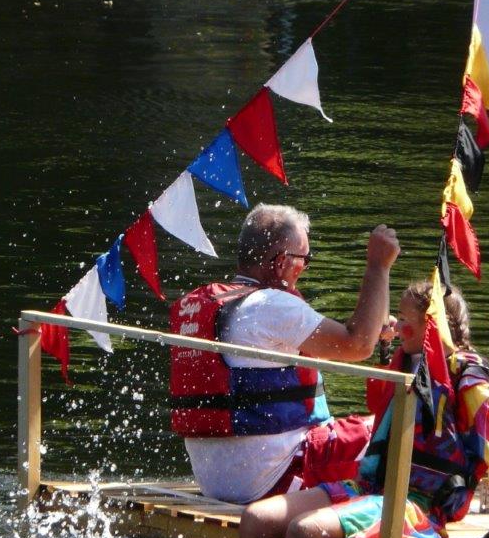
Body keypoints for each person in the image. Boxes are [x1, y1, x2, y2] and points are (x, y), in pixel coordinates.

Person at [238, 281, 489, 538]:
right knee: (256, 520)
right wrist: (387, 346)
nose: (397, 326)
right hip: (370, 487)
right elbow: (381, 409)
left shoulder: (468, 383)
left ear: (431, 326)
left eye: (405, 321)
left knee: (305, 532)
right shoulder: (407, 364)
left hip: (418, 505)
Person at [168, 203, 399, 504]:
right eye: (305, 259)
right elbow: (358, 346)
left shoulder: (221, 307)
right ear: (281, 262)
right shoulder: (271, 305)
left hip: (218, 484)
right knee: (393, 428)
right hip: (275, 482)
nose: (305, 268)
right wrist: (378, 266)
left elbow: (330, 348)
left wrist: (372, 325)